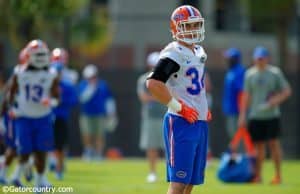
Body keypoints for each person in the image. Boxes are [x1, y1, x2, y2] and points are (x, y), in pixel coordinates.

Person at [146, 5, 211, 194]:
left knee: (191, 182)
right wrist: (179, 107)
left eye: (195, 25)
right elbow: (154, 84)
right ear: (176, 28)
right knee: (178, 182)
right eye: (187, 26)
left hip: (199, 121)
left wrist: (202, 107)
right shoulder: (174, 52)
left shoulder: (198, 50)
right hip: (181, 121)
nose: (192, 30)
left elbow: (193, 86)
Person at [7, 39, 60, 188]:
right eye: (37, 54)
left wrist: (50, 102)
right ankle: (18, 176)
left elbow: (57, 97)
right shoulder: (20, 73)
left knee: (41, 151)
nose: (40, 57)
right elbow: (12, 92)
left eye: (43, 54)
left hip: (43, 117)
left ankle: (39, 183)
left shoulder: (51, 74)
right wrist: (12, 108)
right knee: (24, 150)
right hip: (24, 117)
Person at [238, 46, 292, 184]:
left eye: (262, 58)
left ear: (267, 58)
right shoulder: (250, 74)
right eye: (257, 59)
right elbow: (247, 95)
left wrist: (276, 100)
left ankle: (278, 175)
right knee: (258, 147)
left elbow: (286, 91)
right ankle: (258, 176)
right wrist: (243, 114)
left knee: (274, 145)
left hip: (272, 115)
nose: (259, 61)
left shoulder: (275, 73)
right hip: (255, 116)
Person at [137, 51, 166, 183]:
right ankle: (152, 173)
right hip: (150, 117)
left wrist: (158, 98)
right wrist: (161, 97)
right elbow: (144, 98)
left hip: (166, 116)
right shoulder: (143, 80)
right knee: (151, 146)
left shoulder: (167, 78)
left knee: (169, 147)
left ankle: (170, 173)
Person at [78, 64, 117, 161]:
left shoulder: (103, 85)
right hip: (86, 114)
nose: (92, 78)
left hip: (100, 114)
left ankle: (98, 153)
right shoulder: (83, 85)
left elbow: (109, 99)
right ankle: (88, 151)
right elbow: (82, 99)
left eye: (93, 76)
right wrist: (91, 88)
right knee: (87, 134)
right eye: (90, 77)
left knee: (99, 134)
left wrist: (111, 112)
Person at [50, 57, 78, 180]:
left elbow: (74, 100)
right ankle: (45, 169)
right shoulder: (47, 85)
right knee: (44, 145)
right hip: (46, 118)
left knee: (60, 146)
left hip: (61, 118)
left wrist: (61, 101)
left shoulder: (67, 86)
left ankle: (59, 169)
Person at [222, 48, 245, 139]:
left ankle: (242, 153)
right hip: (230, 110)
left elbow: (241, 92)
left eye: (229, 58)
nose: (227, 60)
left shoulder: (239, 71)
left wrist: (242, 113)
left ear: (235, 59)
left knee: (238, 136)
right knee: (233, 135)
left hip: (236, 111)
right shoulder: (231, 71)